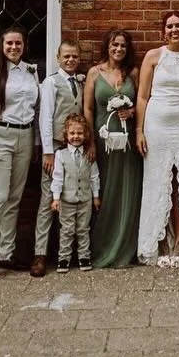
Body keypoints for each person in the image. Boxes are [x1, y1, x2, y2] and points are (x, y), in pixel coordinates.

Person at [136, 10, 179, 266]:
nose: (174, 30)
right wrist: (139, 130)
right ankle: (158, 240)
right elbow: (142, 96)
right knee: (158, 181)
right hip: (156, 126)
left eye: (178, 25)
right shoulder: (153, 57)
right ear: (163, 32)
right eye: (169, 26)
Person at [0, 26, 39, 282]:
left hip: (25, 135)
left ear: (24, 45)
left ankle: (6, 253)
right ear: (2, 46)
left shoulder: (30, 71)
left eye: (18, 43)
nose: (14, 47)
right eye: (9, 43)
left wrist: (36, 143)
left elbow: (34, 108)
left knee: (14, 197)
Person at [85, 29, 143, 268]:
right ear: (107, 46)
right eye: (114, 45)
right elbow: (88, 109)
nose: (118, 49)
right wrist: (90, 141)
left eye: (123, 46)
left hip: (127, 141)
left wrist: (132, 111)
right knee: (104, 190)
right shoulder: (94, 73)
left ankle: (126, 248)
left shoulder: (133, 73)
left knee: (127, 190)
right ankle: (102, 246)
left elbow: (144, 101)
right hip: (103, 140)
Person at [33, 40, 89, 278]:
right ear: (58, 58)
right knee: (49, 198)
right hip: (56, 146)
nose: (70, 60)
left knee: (76, 196)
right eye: (66, 56)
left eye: (74, 56)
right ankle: (40, 254)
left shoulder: (82, 81)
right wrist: (47, 151)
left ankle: (71, 253)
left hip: (77, 147)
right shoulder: (51, 82)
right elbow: (45, 117)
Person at [50, 113, 101, 273]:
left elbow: (94, 177)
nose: (76, 136)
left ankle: (84, 257)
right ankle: (63, 259)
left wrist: (96, 196)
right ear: (66, 135)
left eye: (79, 133)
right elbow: (58, 178)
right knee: (66, 230)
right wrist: (56, 198)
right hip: (66, 200)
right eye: (72, 133)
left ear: (85, 135)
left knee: (83, 229)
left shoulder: (89, 154)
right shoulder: (61, 155)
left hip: (85, 200)